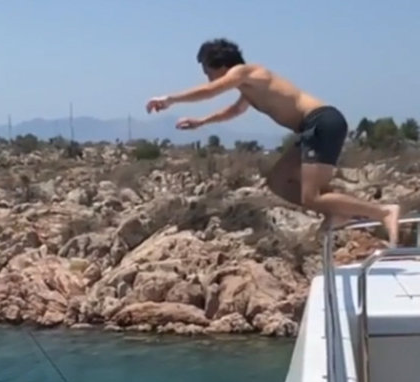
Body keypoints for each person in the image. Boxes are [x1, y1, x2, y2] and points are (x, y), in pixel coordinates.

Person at [145, 38, 400, 245]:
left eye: (208, 71)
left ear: (220, 65)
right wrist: (201, 122)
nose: (208, 78)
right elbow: (235, 110)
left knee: (311, 197)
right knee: (278, 181)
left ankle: (383, 212)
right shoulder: (248, 87)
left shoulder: (246, 71)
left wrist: (169, 99)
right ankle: (338, 211)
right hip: (312, 128)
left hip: (321, 122)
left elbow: (211, 91)